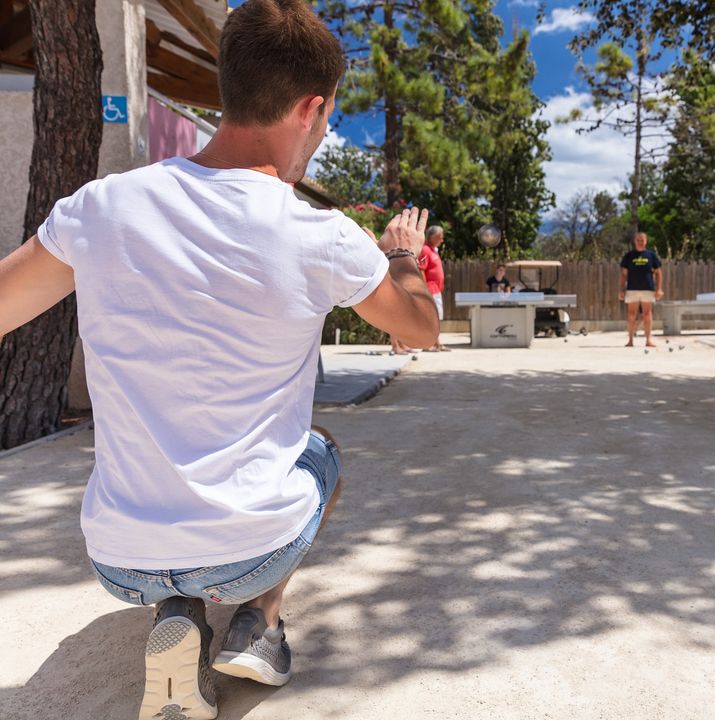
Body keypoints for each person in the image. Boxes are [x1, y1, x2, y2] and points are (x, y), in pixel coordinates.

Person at [0, 2, 439, 718]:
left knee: (167, 504)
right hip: (247, 550)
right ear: (312, 108)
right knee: (321, 451)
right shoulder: (321, 233)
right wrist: (402, 258)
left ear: (227, 87)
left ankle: (173, 605)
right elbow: (417, 331)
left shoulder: (101, 207)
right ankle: (259, 622)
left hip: (118, 560)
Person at [618, 232, 664, 347]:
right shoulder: (629, 256)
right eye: (638, 240)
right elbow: (624, 274)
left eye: (642, 240)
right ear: (635, 241)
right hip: (632, 289)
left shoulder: (651, 255)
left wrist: (659, 289)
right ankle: (630, 340)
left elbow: (658, 273)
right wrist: (621, 289)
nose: (640, 242)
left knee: (647, 314)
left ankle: (648, 340)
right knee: (631, 314)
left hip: (647, 289)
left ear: (646, 241)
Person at [418, 224, 450, 351]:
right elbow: (421, 270)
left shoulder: (433, 250)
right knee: (432, 317)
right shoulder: (425, 250)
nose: (442, 240)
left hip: (436, 289)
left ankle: (437, 343)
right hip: (430, 289)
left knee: (436, 317)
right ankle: (430, 343)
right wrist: (424, 289)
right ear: (431, 237)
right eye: (439, 237)